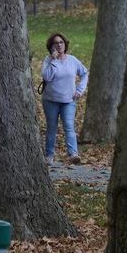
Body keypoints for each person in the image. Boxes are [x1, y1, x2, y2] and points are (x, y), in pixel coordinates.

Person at [38, 32, 88, 164]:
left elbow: (84, 73)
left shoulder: (73, 60)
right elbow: (47, 77)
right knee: (52, 128)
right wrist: (54, 60)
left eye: (61, 42)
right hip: (51, 100)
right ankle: (49, 156)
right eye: (56, 43)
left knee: (69, 126)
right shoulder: (48, 60)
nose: (59, 45)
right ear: (51, 46)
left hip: (69, 101)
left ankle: (73, 154)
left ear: (65, 44)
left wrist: (80, 90)